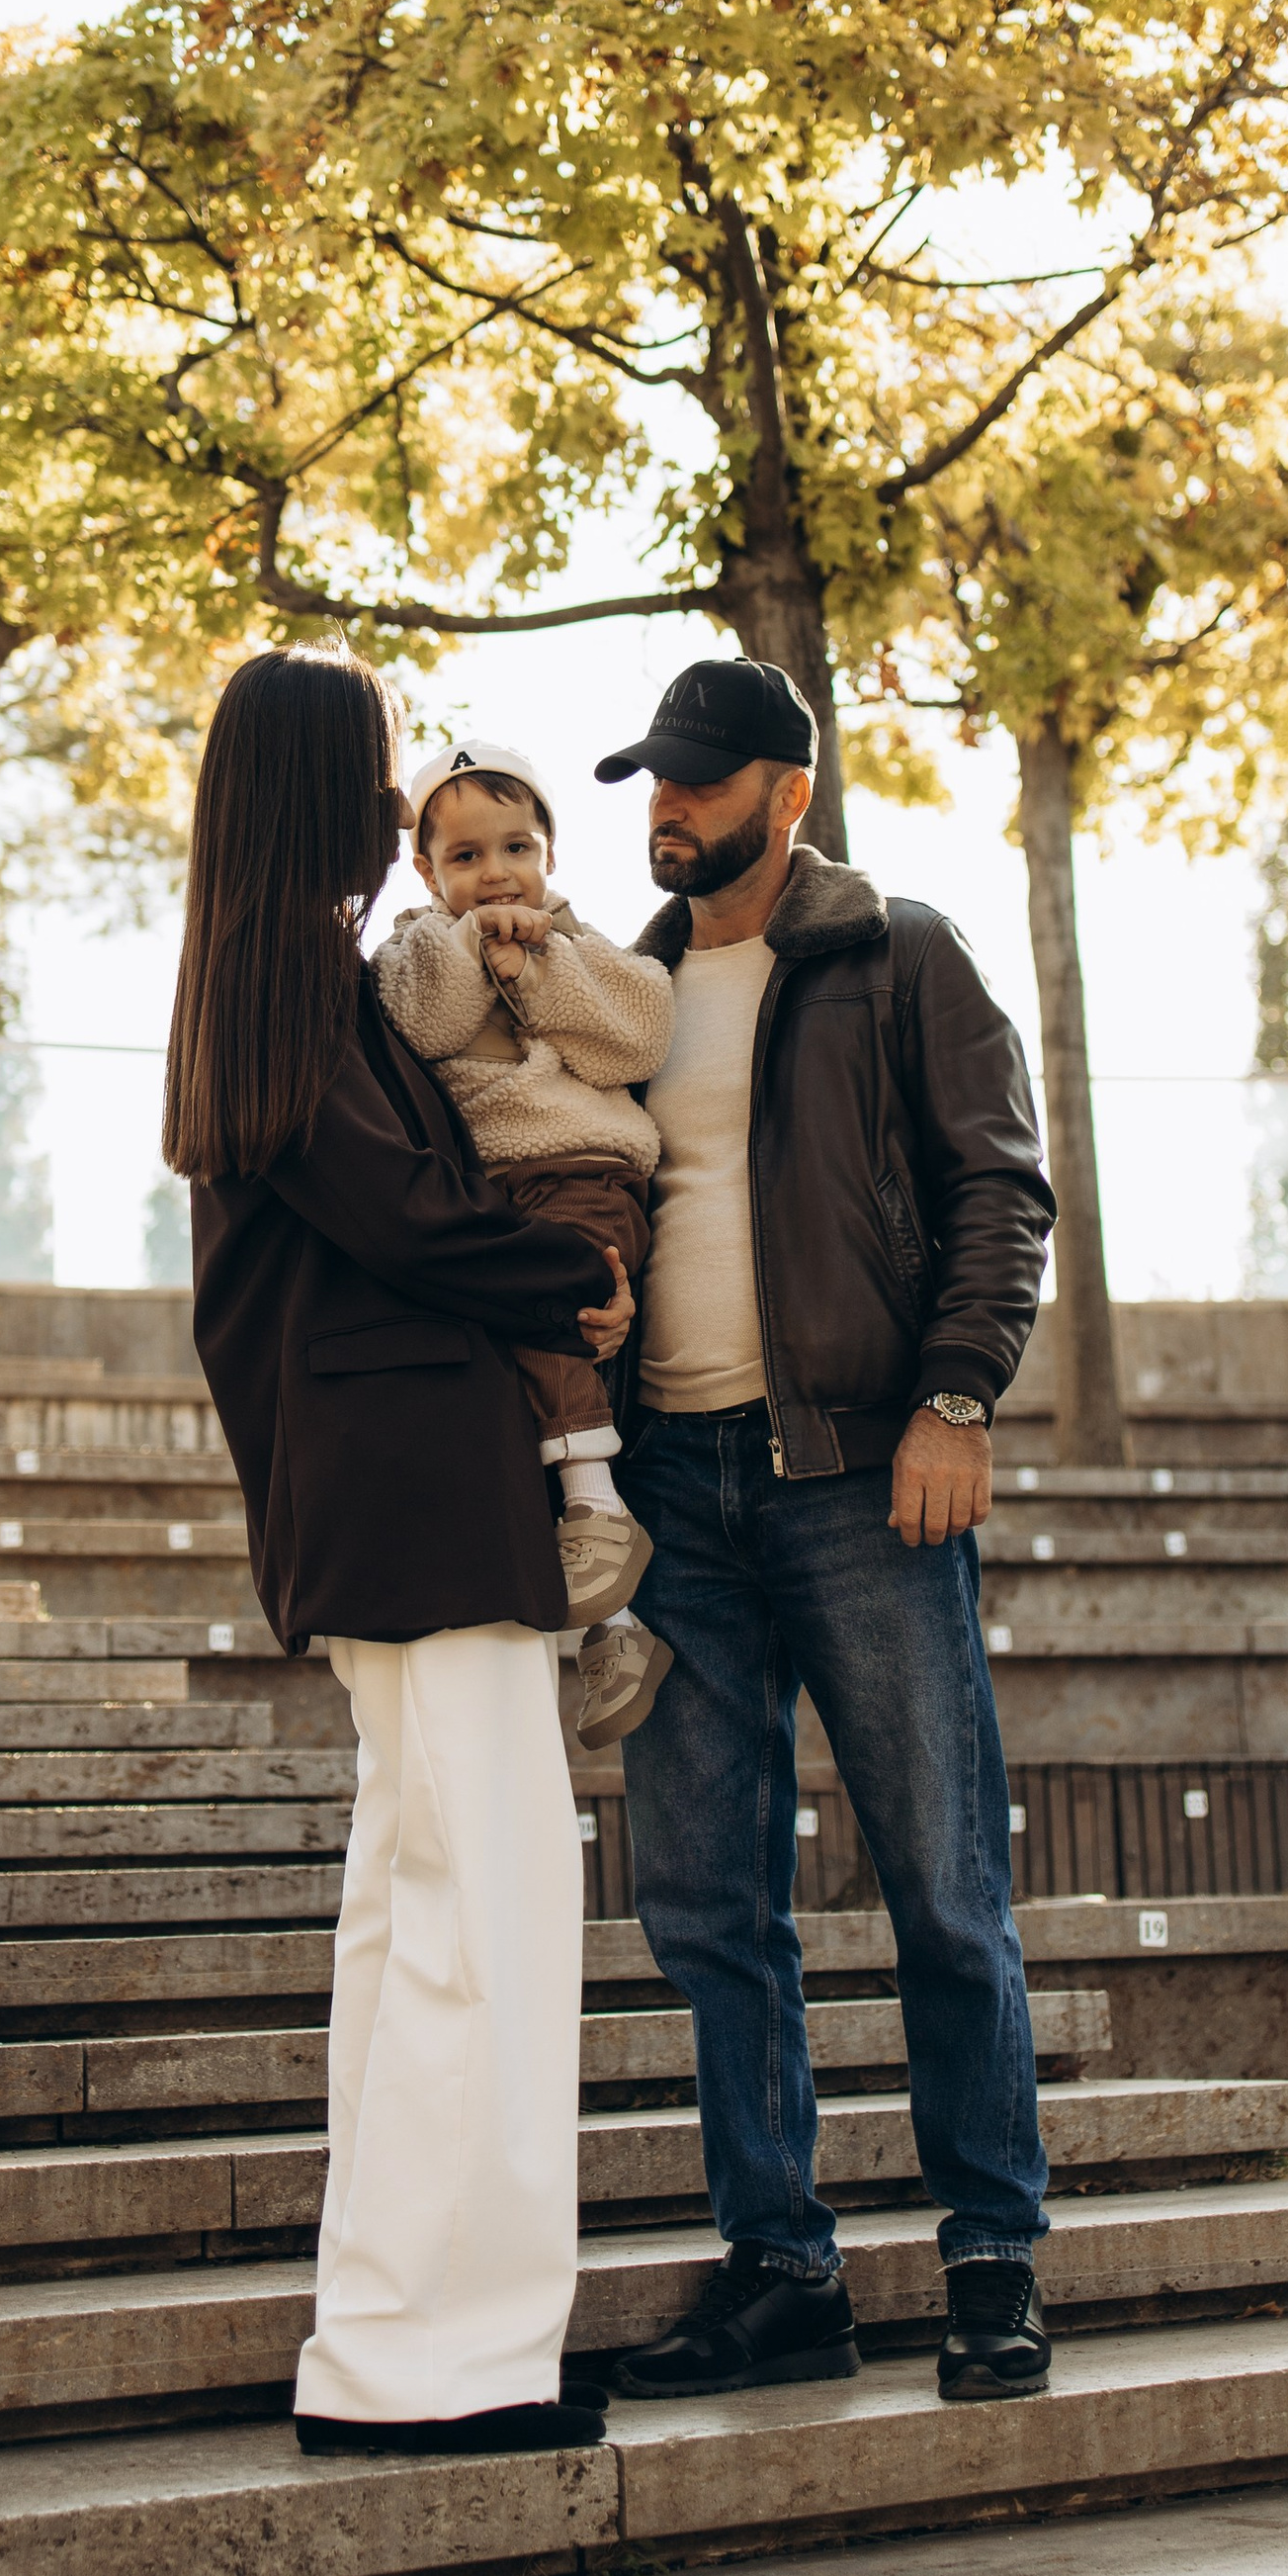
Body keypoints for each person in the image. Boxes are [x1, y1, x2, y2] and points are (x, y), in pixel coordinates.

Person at [167, 648, 634, 2459]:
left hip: (393, 1491)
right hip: (412, 1489)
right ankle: (432, 2366)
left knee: (420, 1918)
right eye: (365, 772)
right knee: (483, 1921)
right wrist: (564, 1280)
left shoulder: (269, 972)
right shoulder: (287, 971)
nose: (389, 807)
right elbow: (401, 1211)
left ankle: (406, 2344)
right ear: (307, 786)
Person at [594, 655, 1059, 2409]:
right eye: (657, 779)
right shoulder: (619, 996)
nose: (669, 807)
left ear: (787, 794)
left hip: (862, 1476)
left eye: (702, 782)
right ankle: (780, 2269)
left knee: (944, 1883)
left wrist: (956, 1397)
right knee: (712, 1903)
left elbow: (999, 1188)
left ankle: (992, 2259)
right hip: (675, 1494)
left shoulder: (895, 954)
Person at [370, 738, 678, 1751]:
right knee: (518, 1372)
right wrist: (474, 949)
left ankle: (596, 1506)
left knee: (561, 1319)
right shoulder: (417, 950)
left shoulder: (585, 947)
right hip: (492, 1194)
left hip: (586, 1174)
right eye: (464, 859)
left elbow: (631, 1039)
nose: (495, 875)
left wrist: (534, 959)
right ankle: (615, 1630)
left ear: (549, 854)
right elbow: (420, 1025)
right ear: (426, 872)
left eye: (515, 849)